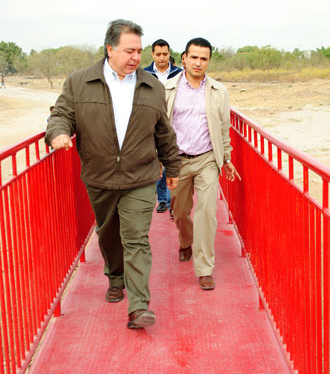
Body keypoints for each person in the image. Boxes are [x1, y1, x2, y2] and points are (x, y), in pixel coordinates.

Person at [45, 19, 181, 329]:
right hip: (100, 176)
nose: (136, 57)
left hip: (141, 176)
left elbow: (164, 133)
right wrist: (57, 134)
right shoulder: (79, 82)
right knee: (108, 234)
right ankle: (115, 276)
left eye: (139, 51)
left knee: (136, 239)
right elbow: (61, 115)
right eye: (129, 50)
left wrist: (172, 167)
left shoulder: (151, 85)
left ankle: (139, 306)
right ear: (110, 49)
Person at [165, 37, 240, 290]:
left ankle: (204, 267)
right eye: (193, 57)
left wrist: (226, 159)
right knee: (180, 210)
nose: (198, 63)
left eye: (203, 58)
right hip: (177, 161)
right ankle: (185, 241)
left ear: (209, 61)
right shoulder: (167, 89)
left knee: (207, 213)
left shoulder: (219, 91)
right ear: (184, 58)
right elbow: (159, 127)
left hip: (207, 159)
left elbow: (223, 129)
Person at [145, 39, 182, 216]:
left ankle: (174, 203)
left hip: (175, 124)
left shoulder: (180, 74)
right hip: (152, 125)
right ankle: (162, 200)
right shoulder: (143, 74)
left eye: (165, 54)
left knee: (173, 164)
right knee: (158, 163)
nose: (161, 58)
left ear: (169, 54)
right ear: (152, 54)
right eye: (158, 54)